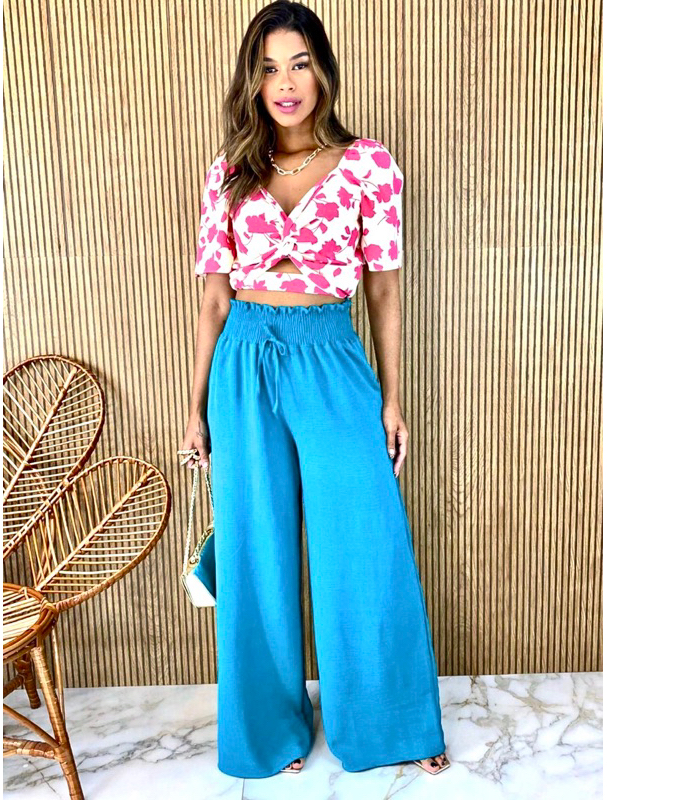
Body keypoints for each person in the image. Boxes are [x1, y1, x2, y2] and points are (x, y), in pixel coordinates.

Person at [180, 0, 451, 780]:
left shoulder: (369, 166)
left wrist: (392, 399)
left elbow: (384, 290)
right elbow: (214, 300)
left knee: (363, 537)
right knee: (256, 546)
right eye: (269, 68)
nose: (286, 82)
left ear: (323, 70)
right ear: (253, 80)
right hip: (244, 359)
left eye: (299, 63)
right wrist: (194, 406)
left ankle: (390, 723)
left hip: (331, 352)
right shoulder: (228, 172)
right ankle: (269, 733)